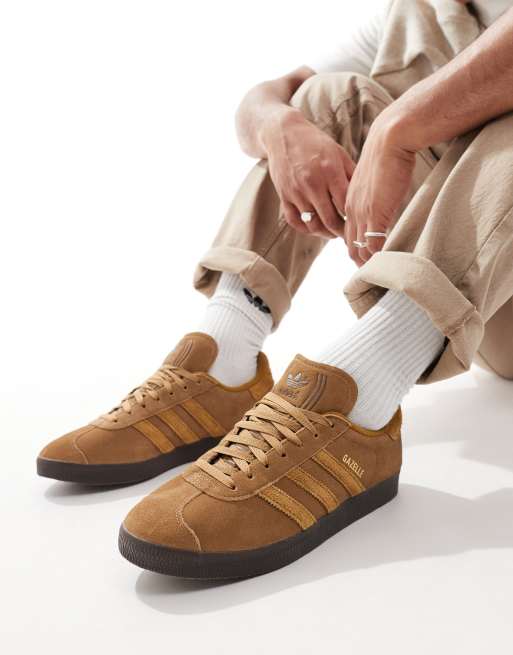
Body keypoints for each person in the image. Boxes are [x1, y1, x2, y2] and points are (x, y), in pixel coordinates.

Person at [39, 0, 513, 578]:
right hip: (490, 302)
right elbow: (263, 99)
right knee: (325, 99)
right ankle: (224, 360)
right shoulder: (421, 9)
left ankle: (359, 400)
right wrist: (279, 126)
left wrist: (397, 129)